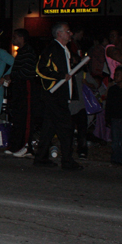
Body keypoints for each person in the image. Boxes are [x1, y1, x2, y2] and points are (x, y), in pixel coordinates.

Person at [33, 22, 83, 171]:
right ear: (59, 34)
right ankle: (67, 161)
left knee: (49, 128)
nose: (71, 34)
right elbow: (40, 69)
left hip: (58, 95)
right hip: (54, 96)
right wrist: (60, 76)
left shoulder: (64, 50)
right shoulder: (53, 48)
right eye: (68, 31)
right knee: (66, 127)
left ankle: (41, 157)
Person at [7, 28, 38, 157]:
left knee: (26, 116)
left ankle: (26, 146)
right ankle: (16, 145)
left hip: (26, 87)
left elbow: (28, 72)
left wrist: (12, 76)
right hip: (18, 88)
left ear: (21, 38)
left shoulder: (29, 52)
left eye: (15, 36)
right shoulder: (21, 52)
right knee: (18, 116)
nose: (13, 39)